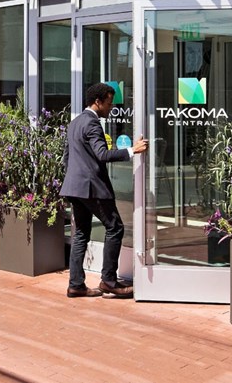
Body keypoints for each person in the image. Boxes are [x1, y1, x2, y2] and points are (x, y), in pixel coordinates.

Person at [60, 81, 148, 299]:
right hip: (92, 188)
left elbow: (67, 158)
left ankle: (76, 285)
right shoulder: (92, 123)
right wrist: (132, 150)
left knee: (81, 234)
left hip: (74, 187)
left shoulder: (75, 122)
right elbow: (102, 154)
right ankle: (109, 281)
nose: (111, 108)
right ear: (97, 102)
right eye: (109, 103)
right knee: (115, 227)